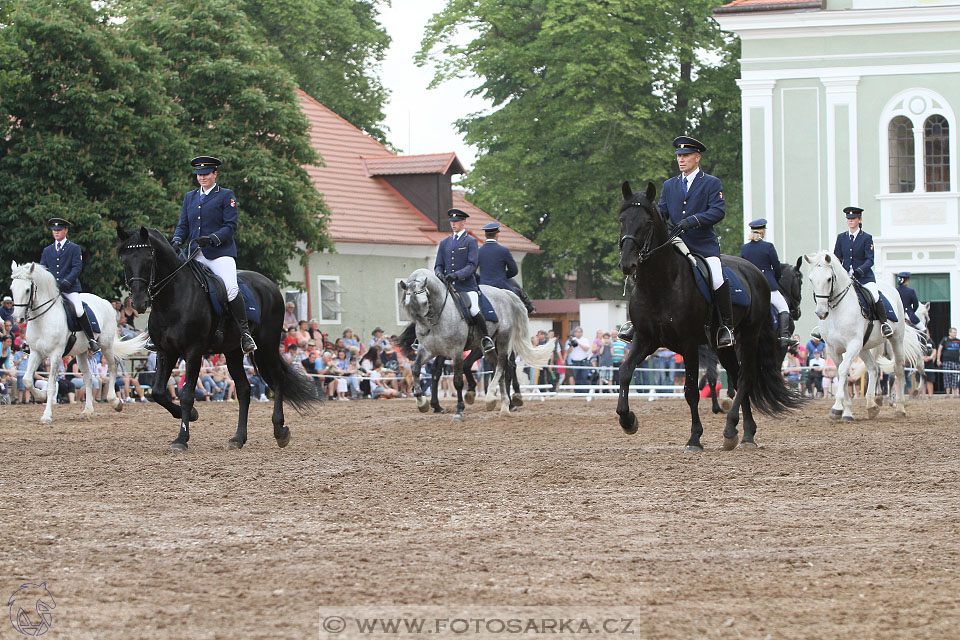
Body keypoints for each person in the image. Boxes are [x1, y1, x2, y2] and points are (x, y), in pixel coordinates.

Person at [618, 136, 733, 347]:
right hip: (675, 242)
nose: (681, 160)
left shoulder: (711, 183)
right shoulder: (670, 185)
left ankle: (725, 326)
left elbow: (718, 211)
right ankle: (637, 322)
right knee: (646, 268)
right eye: (679, 156)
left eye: (686, 156)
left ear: (697, 158)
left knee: (716, 276)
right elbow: (661, 212)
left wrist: (693, 220)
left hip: (702, 244)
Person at [171, 155, 256, 354]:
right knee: (172, 282)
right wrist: (176, 240)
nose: (202, 177)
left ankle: (244, 333)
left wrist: (212, 238)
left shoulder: (226, 195)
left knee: (230, 288)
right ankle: (155, 332)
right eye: (199, 174)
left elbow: (230, 226)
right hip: (194, 252)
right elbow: (183, 224)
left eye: (206, 174)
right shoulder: (189, 197)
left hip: (219, 252)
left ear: (215, 174)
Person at [815, 206, 892, 339]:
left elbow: (870, 260)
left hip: (863, 277)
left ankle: (884, 323)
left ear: (859, 220)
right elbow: (836, 258)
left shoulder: (866, 238)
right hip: (844, 278)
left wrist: (859, 271)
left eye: (853, 218)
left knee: (874, 295)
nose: (850, 221)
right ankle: (822, 327)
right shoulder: (841, 238)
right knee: (828, 294)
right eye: (848, 218)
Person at [434, 208, 495, 353]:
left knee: (474, 309)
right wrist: (439, 274)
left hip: (466, 286)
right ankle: (423, 339)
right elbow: (438, 264)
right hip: (447, 287)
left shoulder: (470, 241)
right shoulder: (444, 243)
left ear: (463, 222)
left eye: (456, 221)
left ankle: (486, 338)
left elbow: (472, 265)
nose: (453, 224)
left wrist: (456, 275)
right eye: (451, 222)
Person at [39, 217, 100, 353]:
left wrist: (65, 283)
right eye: (54, 230)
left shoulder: (74, 248)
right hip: (52, 290)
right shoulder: (47, 250)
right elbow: (42, 269)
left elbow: (76, 268)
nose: (56, 232)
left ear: (65, 230)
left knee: (78, 310)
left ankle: (91, 339)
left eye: (59, 230)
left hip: (69, 288)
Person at [740, 218, 796, 347]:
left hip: (751, 287)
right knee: (783, 308)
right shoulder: (768, 246)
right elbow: (776, 267)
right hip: (768, 287)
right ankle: (784, 337)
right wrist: (775, 279)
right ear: (762, 232)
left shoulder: (745, 248)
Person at [476, 221, 536, 313]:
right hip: (501, 284)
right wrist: (502, 275)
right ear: (496, 235)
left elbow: (472, 269)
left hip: (484, 285)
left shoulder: (479, 251)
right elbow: (514, 271)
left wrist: (482, 278)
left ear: (485, 235)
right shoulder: (503, 251)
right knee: (515, 287)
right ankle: (528, 305)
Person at [937, 327, 960, 396]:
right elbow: (939, 349)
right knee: (947, 377)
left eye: (955, 332)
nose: (955, 334)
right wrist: (938, 359)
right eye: (953, 332)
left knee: (955, 377)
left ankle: (955, 394)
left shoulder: (958, 341)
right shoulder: (945, 340)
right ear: (950, 333)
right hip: (946, 361)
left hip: (956, 362)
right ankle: (948, 394)